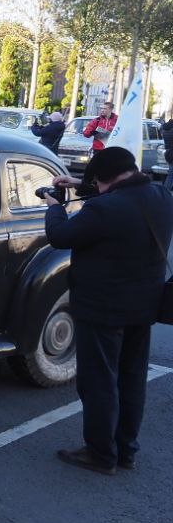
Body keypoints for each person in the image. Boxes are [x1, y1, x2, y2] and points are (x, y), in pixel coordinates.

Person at [45, 146, 173, 475]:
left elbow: (60, 236)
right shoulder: (161, 195)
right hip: (144, 307)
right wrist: (82, 184)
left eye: (96, 182)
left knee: (99, 381)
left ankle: (100, 453)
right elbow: (120, 196)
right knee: (132, 380)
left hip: (102, 310)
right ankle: (126, 450)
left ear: (105, 179)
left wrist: (56, 206)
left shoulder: (103, 209)